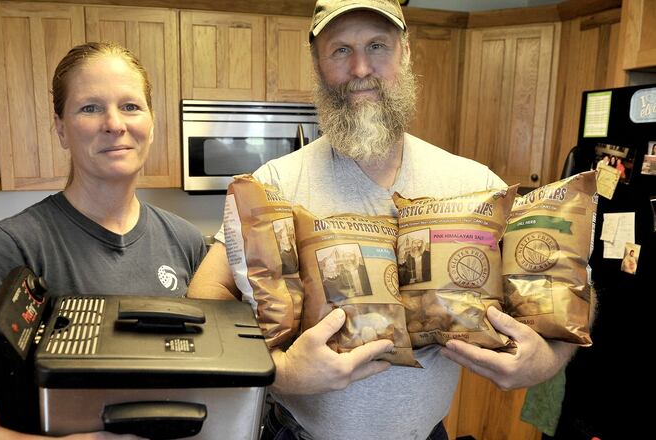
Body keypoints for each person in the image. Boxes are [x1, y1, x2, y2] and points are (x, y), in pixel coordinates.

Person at [187, 1, 579, 439]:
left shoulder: (474, 184)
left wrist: (544, 361)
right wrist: (279, 372)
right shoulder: (275, 183)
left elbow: (558, 291)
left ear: (405, 53)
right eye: (339, 50)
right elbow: (206, 295)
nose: (359, 68)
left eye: (377, 45)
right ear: (317, 63)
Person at [0, 42, 206, 440]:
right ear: (61, 129)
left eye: (131, 106)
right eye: (90, 107)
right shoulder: (15, 247)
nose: (115, 123)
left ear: (152, 122)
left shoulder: (185, 240)